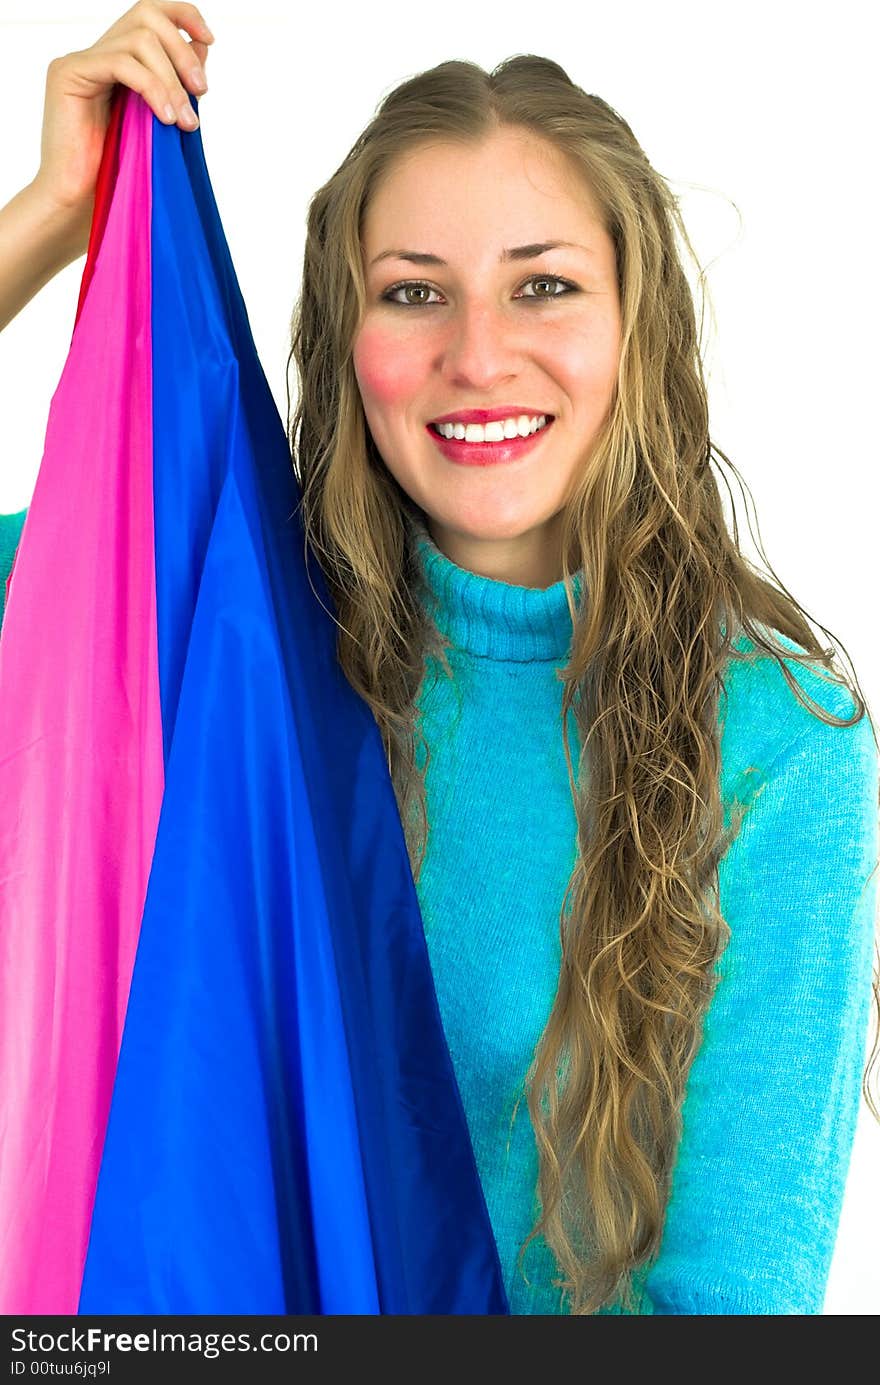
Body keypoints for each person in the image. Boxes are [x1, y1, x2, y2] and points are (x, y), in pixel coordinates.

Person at [1, 0, 878, 1318]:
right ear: (346, 342)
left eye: (544, 285)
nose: (478, 356)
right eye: (415, 292)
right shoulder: (216, 630)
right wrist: (56, 217)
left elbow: (729, 1305)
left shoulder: (780, 747)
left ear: (637, 324)